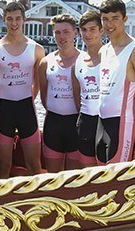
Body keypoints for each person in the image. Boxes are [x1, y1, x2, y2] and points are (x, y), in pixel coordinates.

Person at [0, 2, 45, 179]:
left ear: (24, 20)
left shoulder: (37, 49)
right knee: (3, 166)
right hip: (4, 111)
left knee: (34, 166)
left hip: (27, 109)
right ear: (4, 20)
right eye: (10, 19)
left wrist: (29, 98)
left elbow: (38, 83)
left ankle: (39, 203)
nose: (14, 23)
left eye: (18, 18)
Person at [96, 0, 135, 164]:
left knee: (118, 182)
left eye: (115, 18)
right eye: (105, 19)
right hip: (101, 124)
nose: (109, 24)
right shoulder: (104, 50)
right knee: (101, 179)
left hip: (123, 125)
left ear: (125, 19)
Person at [39, 14, 81, 173]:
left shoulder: (84, 60)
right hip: (53, 123)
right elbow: (44, 96)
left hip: (76, 124)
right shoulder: (45, 62)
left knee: (74, 179)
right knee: (53, 177)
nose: (61, 37)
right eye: (57, 32)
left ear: (75, 33)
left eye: (66, 32)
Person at [72, 10, 103, 167]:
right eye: (84, 30)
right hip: (85, 122)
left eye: (92, 29)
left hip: (106, 123)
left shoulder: (112, 59)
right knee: (87, 173)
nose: (88, 34)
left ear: (101, 30)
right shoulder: (78, 62)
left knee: (107, 176)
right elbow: (78, 97)